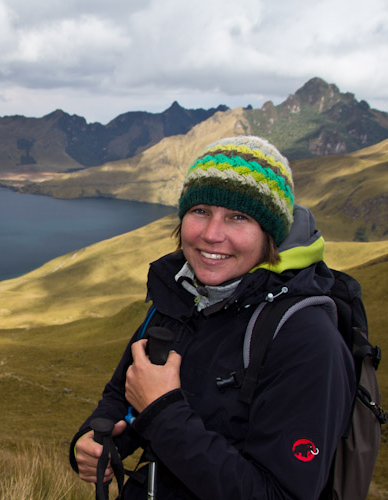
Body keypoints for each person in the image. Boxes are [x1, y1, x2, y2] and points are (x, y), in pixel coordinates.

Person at [69, 136, 355, 499]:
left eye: (238, 217)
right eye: (201, 210)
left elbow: (280, 493)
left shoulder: (307, 338)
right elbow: (124, 392)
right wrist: (96, 442)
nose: (211, 234)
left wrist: (163, 412)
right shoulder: (180, 294)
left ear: (272, 233)